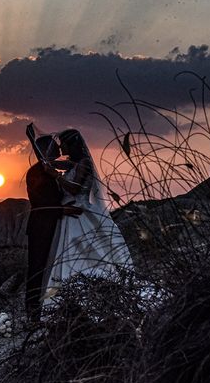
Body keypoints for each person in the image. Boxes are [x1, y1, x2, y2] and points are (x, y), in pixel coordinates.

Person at [40, 129, 134, 305]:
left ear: (72, 144)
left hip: (78, 212)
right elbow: (63, 166)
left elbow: (75, 188)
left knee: (79, 252)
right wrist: (49, 164)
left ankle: (81, 294)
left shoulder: (84, 163)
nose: (60, 148)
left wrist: (55, 176)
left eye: (63, 144)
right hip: (70, 212)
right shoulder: (76, 163)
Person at [25, 134, 81, 322]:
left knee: (48, 267)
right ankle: (32, 311)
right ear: (47, 149)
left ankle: (43, 307)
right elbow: (39, 203)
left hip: (52, 226)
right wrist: (62, 209)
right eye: (54, 147)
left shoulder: (49, 169)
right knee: (37, 268)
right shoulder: (35, 173)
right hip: (40, 228)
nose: (58, 149)